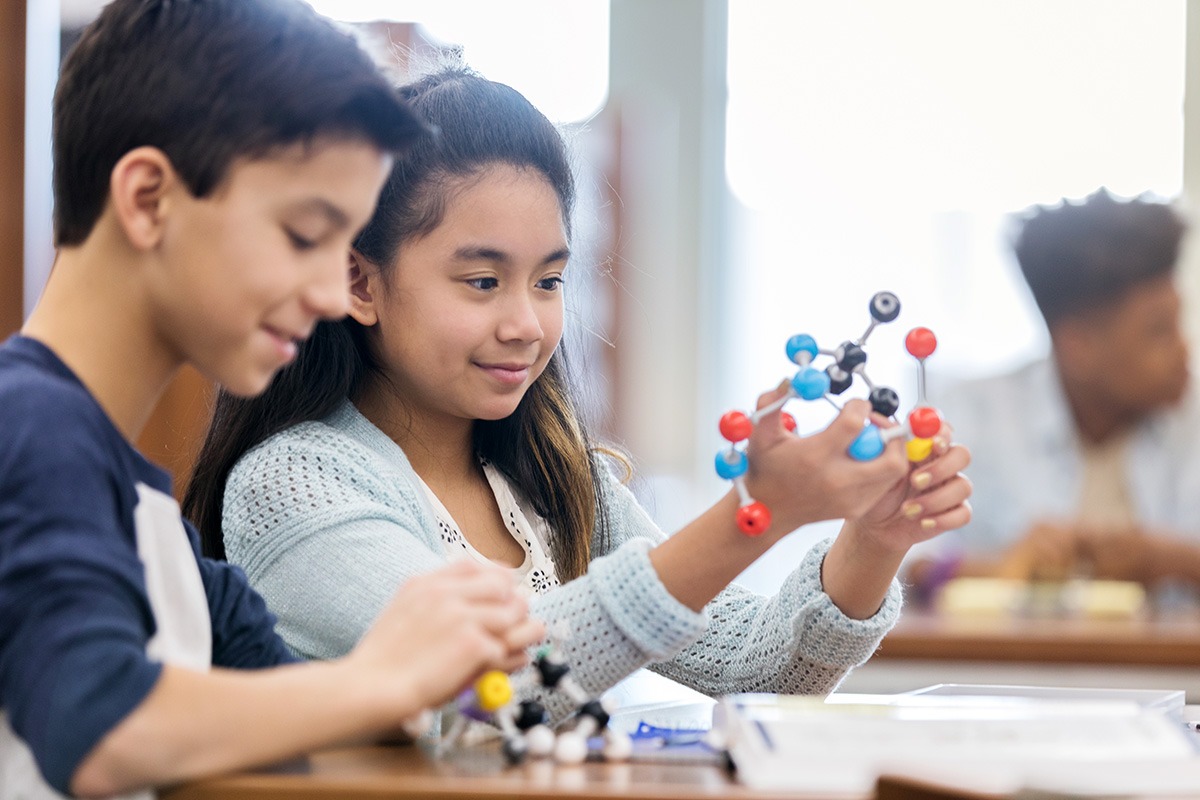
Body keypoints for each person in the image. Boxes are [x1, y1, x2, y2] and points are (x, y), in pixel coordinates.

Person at [184, 65, 972, 722]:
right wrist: (751, 515)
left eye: (550, 280)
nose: (527, 323)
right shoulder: (289, 482)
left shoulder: (558, 481)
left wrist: (875, 538)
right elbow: (488, 688)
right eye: (483, 281)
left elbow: (755, 674)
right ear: (360, 280)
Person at [0, 4, 545, 798]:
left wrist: (429, 655)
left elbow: (302, 710)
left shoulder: (154, 531)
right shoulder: (29, 427)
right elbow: (104, 728)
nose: (332, 293)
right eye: (303, 233)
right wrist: (382, 680)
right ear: (149, 199)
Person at [907, 189, 1200, 593]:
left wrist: (1172, 561)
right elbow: (907, 567)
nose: (1184, 349)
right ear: (1079, 346)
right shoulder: (970, 415)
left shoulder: (1191, 418)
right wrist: (1005, 569)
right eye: (1157, 332)